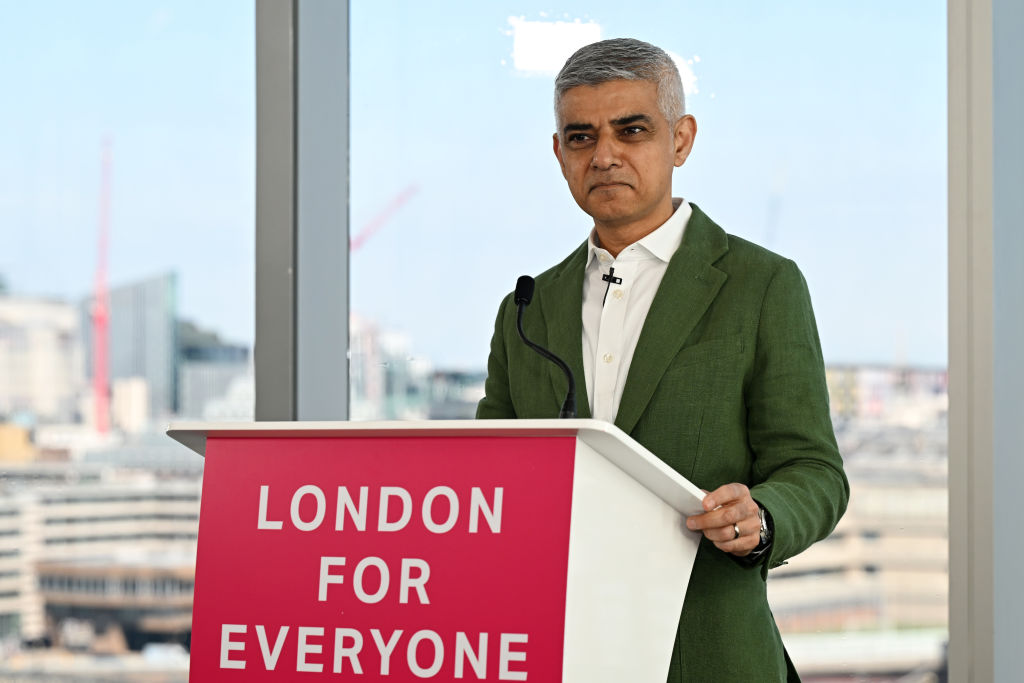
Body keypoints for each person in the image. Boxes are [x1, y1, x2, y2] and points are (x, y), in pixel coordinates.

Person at [476, 38, 849, 681]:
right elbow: (491, 481)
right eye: (581, 137)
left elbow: (814, 470)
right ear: (559, 154)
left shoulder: (762, 285)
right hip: (558, 652)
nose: (604, 155)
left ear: (681, 140)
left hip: (708, 654)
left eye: (632, 130)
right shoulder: (526, 310)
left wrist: (762, 518)